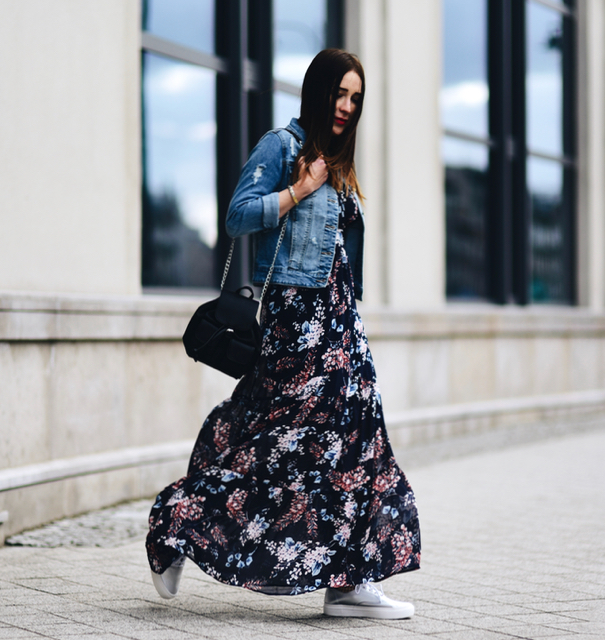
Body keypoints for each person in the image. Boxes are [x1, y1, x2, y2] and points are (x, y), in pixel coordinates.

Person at [146, 48, 421, 620]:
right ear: (316, 90)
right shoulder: (283, 147)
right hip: (298, 324)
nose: (346, 106)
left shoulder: (338, 163)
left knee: (356, 444)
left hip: (340, 325)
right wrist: (297, 191)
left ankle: (350, 581)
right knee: (274, 444)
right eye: (338, 93)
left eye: (355, 98)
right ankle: (180, 520)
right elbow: (237, 215)